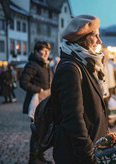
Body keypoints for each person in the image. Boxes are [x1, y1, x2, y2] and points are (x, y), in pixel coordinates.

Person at [51, 14, 108, 163]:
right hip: (76, 154)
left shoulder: (84, 62)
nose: (99, 41)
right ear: (82, 38)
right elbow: (73, 117)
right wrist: (89, 154)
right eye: (95, 36)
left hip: (93, 144)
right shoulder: (70, 68)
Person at [20, 41, 53, 164]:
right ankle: (33, 158)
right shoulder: (33, 64)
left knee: (43, 130)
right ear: (36, 52)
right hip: (36, 102)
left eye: (47, 51)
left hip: (44, 102)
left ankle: (40, 155)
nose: (45, 54)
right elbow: (23, 82)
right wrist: (38, 90)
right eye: (42, 51)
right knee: (37, 130)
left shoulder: (45, 64)